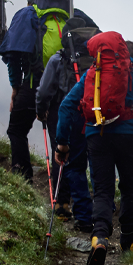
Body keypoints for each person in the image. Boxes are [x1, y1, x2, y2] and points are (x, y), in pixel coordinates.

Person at [54, 34, 133, 265]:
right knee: (128, 186)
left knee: (103, 190)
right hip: (128, 137)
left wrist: (62, 144)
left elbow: (65, 106)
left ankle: (99, 237)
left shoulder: (93, 75)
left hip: (97, 136)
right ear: (132, 57)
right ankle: (129, 240)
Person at [0, 0, 97, 183]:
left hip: (34, 83)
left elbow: (14, 55)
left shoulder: (28, 15)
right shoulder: (76, 16)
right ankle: (61, 192)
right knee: (59, 141)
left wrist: (16, 86)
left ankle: (22, 175)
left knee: (16, 129)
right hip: (67, 91)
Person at [36, 17, 99, 231]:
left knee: (67, 160)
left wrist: (40, 109)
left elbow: (44, 91)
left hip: (69, 114)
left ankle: (64, 206)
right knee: (96, 164)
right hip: (97, 117)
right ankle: (100, 214)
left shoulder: (59, 58)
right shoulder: (97, 61)